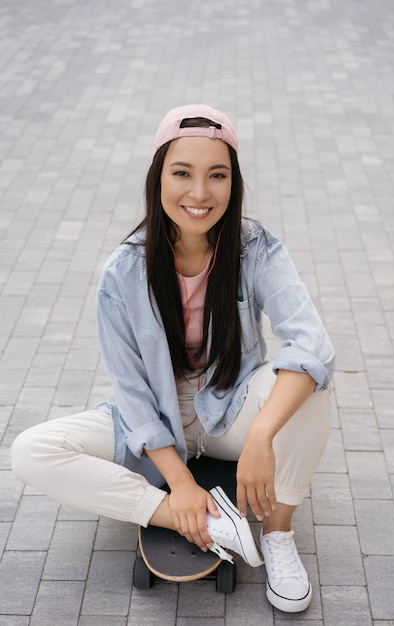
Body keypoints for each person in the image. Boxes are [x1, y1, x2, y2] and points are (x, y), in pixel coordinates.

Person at [11, 104, 335, 613]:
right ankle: (195, 517)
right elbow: (133, 395)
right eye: (182, 173)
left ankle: (277, 535)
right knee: (31, 451)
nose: (200, 193)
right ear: (157, 177)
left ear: (234, 182)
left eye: (217, 175)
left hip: (230, 410)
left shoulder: (256, 248)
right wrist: (180, 489)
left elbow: (312, 345)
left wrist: (261, 435)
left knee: (312, 384)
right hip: (157, 423)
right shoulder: (122, 273)